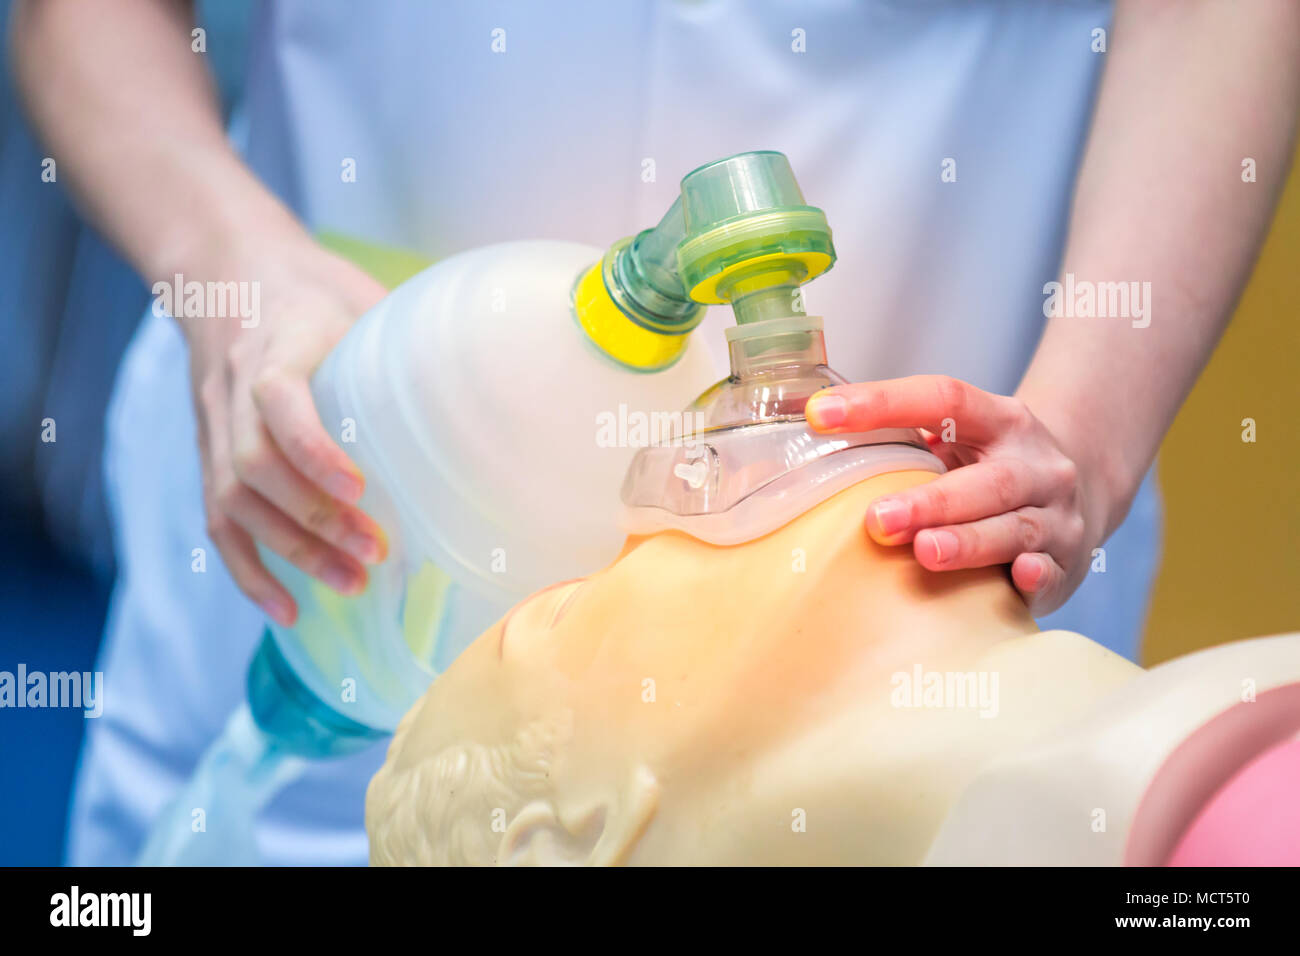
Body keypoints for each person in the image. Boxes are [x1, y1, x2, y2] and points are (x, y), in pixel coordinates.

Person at [10, 0, 1299, 865]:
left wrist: (1084, 422)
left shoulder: (1155, 792)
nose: (681, 510)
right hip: (329, 487)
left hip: (985, 451)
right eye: (564, 608)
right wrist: (232, 275)